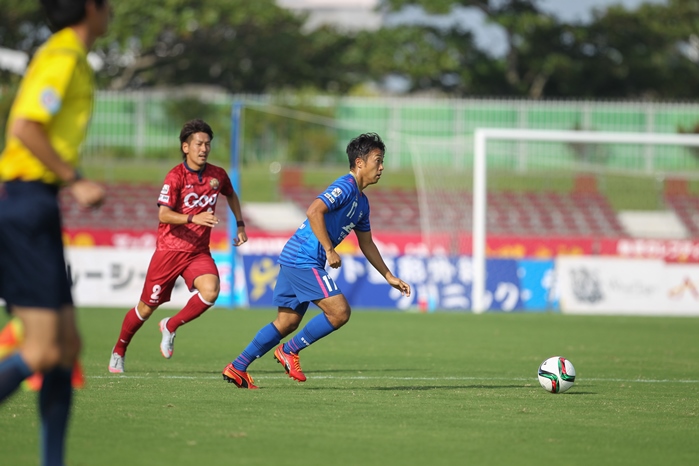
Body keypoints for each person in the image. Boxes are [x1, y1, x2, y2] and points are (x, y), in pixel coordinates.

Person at [0, 1, 110, 465]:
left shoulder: (73, 56)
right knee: (43, 350)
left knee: (66, 349)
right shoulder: (63, 56)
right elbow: (25, 127)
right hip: (24, 202)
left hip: (37, 203)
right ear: (91, 8)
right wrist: (75, 178)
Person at [222, 132, 411, 389]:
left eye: (382, 161)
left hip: (294, 258)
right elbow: (314, 211)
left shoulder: (363, 203)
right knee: (339, 312)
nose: (382, 167)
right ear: (359, 163)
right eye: (378, 161)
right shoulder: (345, 186)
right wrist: (329, 250)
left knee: (287, 322)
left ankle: (237, 367)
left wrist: (389, 276)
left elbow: (366, 243)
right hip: (304, 258)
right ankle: (289, 351)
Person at [108, 119, 247, 373]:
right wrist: (194, 218)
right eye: (198, 144)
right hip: (169, 251)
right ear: (186, 147)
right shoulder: (175, 176)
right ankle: (119, 349)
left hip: (198, 252)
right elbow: (163, 214)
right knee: (145, 309)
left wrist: (240, 224)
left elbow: (231, 194)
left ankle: (170, 325)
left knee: (211, 291)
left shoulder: (217, 175)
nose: (204, 149)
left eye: (207, 144)